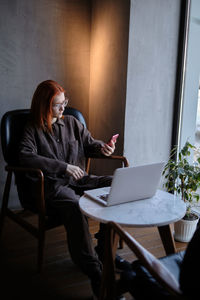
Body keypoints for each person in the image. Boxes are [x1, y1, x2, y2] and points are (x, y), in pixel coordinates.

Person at [18, 79, 116, 298]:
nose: (63, 108)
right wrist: (63, 167)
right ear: (44, 105)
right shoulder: (32, 128)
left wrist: (104, 148)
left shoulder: (72, 122)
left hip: (80, 181)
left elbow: (91, 144)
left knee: (115, 182)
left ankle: (102, 247)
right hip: (52, 187)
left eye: (64, 102)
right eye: (57, 104)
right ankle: (96, 273)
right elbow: (25, 156)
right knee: (74, 206)